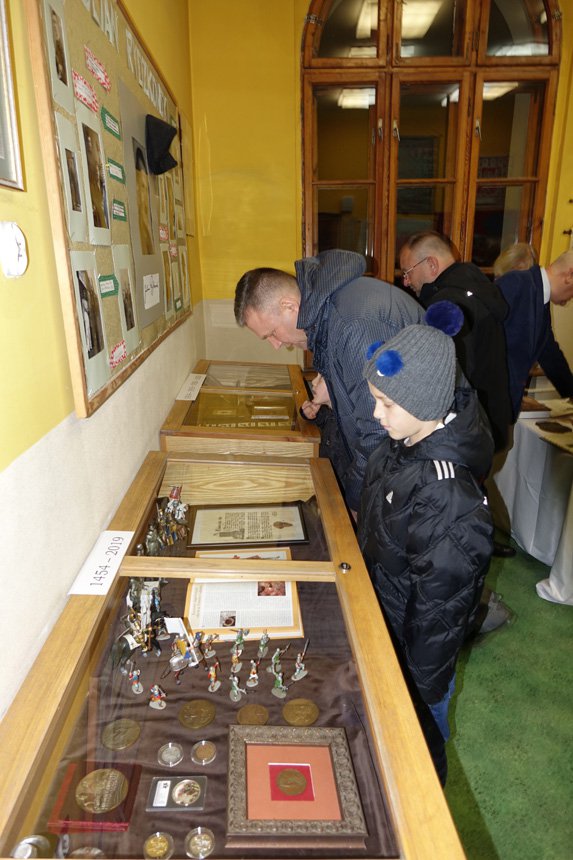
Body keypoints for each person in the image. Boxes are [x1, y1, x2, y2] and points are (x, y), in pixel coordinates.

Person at [358, 302, 494, 784]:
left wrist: (418, 686)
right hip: (388, 624)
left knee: (420, 755)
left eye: (387, 404)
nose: (375, 414)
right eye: (376, 400)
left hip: (417, 660)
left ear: (427, 402)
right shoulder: (400, 446)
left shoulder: (447, 495)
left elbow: (440, 610)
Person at [234, 250, 424, 513]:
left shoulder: (353, 324)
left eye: (272, 333)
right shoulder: (326, 317)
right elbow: (354, 409)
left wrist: (353, 504)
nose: (276, 345)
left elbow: (378, 431)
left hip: (424, 465)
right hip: (401, 462)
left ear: (289, 307)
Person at [496, 250, 573, 422]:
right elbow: (486, 343)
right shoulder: (517, 282)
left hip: (506, 406)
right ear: (570, 275)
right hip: (489, 407)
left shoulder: (542, 300)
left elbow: (551, 355)